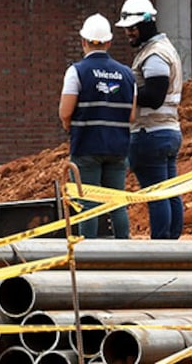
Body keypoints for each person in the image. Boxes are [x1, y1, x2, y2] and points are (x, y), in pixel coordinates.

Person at [59, 13, 135, 240]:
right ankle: (125, 250)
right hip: (118, 147)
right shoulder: (126, 73)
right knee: (117, 203)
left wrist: (69, 126)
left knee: (88, 203)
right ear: (109, 42)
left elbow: (65, 112)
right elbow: (132, 116)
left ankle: (88, 255)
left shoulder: (77, 72)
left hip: (86, 146)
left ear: (83, 41)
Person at [117, 0, 185, 240]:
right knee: (168, 191)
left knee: (156, 195)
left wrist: (124, 95)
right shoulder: (162, 49)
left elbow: (155, 96)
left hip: (150, 133)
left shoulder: (154, 54)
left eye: (132, 28)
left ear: (147, 23)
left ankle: (162, 245)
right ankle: (172, 242)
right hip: (168, 132)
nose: (129, 33)